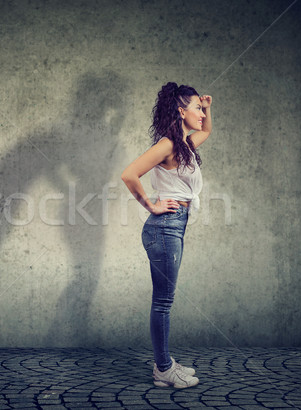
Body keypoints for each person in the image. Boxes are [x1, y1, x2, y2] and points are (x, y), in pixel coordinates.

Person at [121, 82, 212, 388]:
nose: (201, 113)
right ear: (180, 110)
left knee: (165, 300)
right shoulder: (168, 145)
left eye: (202, 108)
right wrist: (151, 205)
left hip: (175, 227)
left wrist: (208, 109)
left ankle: (165, 364)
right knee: (163, 302)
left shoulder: (184, 144)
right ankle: (162, 369)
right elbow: (129, 174)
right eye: (197, 108)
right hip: (165, 228)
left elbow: (207, 132)